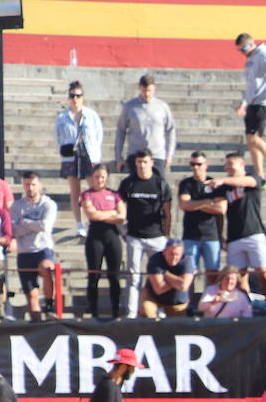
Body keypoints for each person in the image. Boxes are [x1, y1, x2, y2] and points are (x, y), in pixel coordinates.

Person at [211, 152, 266, 312]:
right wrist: (220, 236)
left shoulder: (252, 178)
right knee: (238, 277)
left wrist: (223, 179)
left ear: (242, 164)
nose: (227, 168)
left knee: (264, 273)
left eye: (231, 164)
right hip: (234, 236)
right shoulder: (224, 188)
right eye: (226, 165)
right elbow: (219, 212)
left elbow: (252, 181)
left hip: (254, 233)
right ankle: (247, 308)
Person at [118, 150, 172, 319]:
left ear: (152, 163)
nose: (142, 165)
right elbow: (118, 207)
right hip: (134, 236)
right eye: (139, 162)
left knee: (159, 277)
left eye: (145, 162)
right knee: (133, 277)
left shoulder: (160, 184)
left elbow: (167, 212)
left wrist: (166, 236)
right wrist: (123, 231)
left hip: (156, 237)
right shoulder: (128, 183)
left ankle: (161, 310)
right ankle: (131, 313)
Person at [235, 33, 266, 186]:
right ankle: (260, 175)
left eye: (243, 49)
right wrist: (244, 103)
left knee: (254, 138)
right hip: (253, 103)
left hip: (262, 103)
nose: (242, 53)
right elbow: (252, 85)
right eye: (239, 51)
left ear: (250, 45)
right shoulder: (251, 60)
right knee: (251, 141)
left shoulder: (263, 55)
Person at [56, 81, 104, 239]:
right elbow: (59, 137)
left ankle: (94, 221)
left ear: (83, 97)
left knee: (93, 189)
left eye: (78, 95)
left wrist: (95, 154)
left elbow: (98, 135)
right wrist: (64, 149)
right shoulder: (63, 117)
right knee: (75, 191)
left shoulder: (91, 115)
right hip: (71, 156)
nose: (75, 99)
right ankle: (79, 223)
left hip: (88, 155)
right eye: (72, 96)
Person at [179, 151, 227, 305]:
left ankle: (210, 305)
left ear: (206, 165)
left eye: (199, 164)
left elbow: (221, 209)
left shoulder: (215, 183)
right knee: (189, 273)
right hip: (190, 235)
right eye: (192, 164)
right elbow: (184, 205)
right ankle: (190, 305)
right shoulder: (186, 184)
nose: (195, 167)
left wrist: (196, 204)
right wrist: (207, 202)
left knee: (212, 273)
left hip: (211, 235)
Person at [12, 172, 59, 321]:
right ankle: (38, 327)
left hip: (42, 249)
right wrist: (33, 226)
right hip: (25, 252)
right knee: (32, 296)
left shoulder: (48, 204)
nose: (30, 188)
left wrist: (24, 223)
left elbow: (45, 226)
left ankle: (50, 305)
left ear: (39, 185)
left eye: (33, 184)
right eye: (27, 184)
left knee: (47, 268)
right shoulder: (17, 206)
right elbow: (13, 229)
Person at [81, 165, 126, 318]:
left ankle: (116, 310)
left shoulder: (114, 194)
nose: (99, 180)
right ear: (92, 178)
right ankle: (93, 310)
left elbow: (122, 216)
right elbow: (91, 215)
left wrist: (104, 214)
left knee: (114, 275)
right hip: (95, 235)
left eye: (102, 177)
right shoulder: (87, 194)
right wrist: (111, 213)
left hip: (112, 234)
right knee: (94, 274)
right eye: (97, 177)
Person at [114, 74, 176, 178]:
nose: (146, 94)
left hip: (157, 156)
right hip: (136, 155)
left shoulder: (162, 107)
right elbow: (121, 131)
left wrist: (169, 155)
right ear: (139, 88)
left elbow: (170, 130)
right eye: (144, 91)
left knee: (158, 188)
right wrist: (119, 157)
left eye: (149, 91)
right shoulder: (130, 107)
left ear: (154, 89)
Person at [140, 239, 195, 317]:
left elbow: (184, 286)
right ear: (164, 252)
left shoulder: (187, 261)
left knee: (179, 326)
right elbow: (159, 288)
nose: (174, 257)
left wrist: (165, 273)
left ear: (182, 254)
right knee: (146, 309)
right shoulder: (155, 260)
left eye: (177, 254)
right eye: (171, 254)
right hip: (154, 298)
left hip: (178, 302)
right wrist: (178, 282)